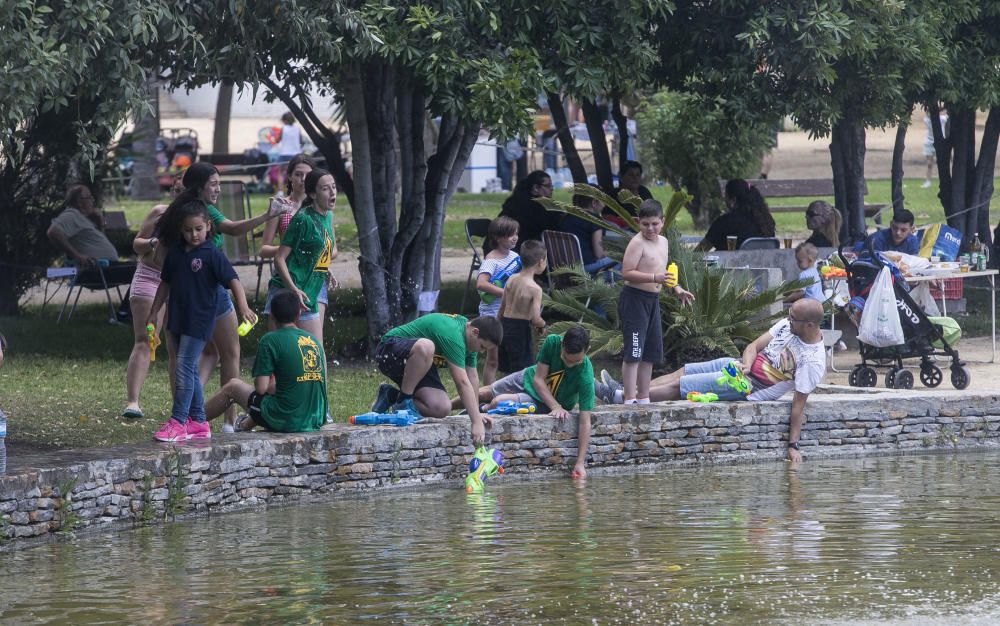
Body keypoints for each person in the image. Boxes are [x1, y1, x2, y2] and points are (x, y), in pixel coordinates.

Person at [598, 299, 827, 464]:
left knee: (682, 386)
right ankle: (630, 390)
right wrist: (746, 365)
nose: (788, 321)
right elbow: (752, 347)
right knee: (682, 371)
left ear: (809, 325)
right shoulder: (787, 326)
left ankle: (618, 397)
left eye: (793, 319)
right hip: (740, 367)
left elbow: (798, 404)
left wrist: (792, 445)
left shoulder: (813, 360)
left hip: (750, 388)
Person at [179, 162, 283, 431]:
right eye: (213, 184)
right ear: (198, 187)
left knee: (216, 352)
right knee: (215, 355)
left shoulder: (194, 210)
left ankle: (203, 413)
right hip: (205, 291)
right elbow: (235, 229)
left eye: (218, 183)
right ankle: (211, 419)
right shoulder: (197, 213)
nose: (218, 188)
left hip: (203, 292)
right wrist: (266, 215)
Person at [146, 200, 257, 442]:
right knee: (188, 369)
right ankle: (198, 422)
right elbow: (164, 283)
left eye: (198, 229)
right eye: (187, 230)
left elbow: (233, 280)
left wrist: (243, 307)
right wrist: (155, 312)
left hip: (199, 320)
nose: (193, 234)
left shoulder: (211, 254)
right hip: (177, 317)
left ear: (208, 226)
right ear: (180, 230)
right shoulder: (175, 253)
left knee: (185, 364)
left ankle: (178, 421)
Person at [472, 326, 594, 477]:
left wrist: (580, 463)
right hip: (529, 379)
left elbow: (584, 421)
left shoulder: (586, 375)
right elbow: (538, 379)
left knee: (498, 402)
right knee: (485, 392)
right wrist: (555, 406)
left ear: (587, 350)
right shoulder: (552, 342)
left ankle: (481, 410)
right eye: (566, 359)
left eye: (575, 362)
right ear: (562, 343)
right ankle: (452, 406)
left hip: (540, 401)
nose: (569, 364)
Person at [203, 289, 327, 433]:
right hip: (315, 418)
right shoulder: (313, 341)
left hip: (288, 420)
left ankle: (192, 422)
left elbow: (261, 388)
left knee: (233, 387)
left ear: (272, 316)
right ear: (298, 314)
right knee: (271, 398)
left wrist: (270, 381)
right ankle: (242, 427)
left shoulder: (270, 340)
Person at [370, 314, 502, 445]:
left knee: (442, 407)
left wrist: (476, 414)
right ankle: (404, 402)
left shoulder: (470, 340)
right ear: (475, 332)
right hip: (388, 350)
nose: (482, 351)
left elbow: (472, 378)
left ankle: (391, 396)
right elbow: (462, 383)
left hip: (417, 364)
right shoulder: (454, 335)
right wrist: (476, 422)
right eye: (483, 347)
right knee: (426, 346)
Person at [619, 200, 694, 403]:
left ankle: (644, 397)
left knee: (650, 352)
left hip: (653, 300)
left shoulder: (664, 242)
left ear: (663, 221)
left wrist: (676, 288)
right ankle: (629, 399)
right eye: (645, 224)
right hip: (635, 300)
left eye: (654, 224)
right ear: (638, 223)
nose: (650, 228)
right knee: (634, 351)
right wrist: (654, 278)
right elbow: (626, 273)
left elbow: (663, 271)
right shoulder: (637, 243)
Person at [122, 175, 184, 419]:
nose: (179, 195)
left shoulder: (199, 219)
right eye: (176, 190)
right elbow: (137, 244)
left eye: (184, 190)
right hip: (150, 277)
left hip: (178, 283)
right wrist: (153, 241)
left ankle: (178, 406)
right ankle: (133, 402)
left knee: (176, 345)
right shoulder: (160, 213)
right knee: (146, 338)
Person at [266, 168, 339, 358]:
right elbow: (279, 258)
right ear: (313, 194)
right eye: (325, 189)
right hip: (286, 292)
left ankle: (318, 389)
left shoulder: (327, 216)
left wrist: (325, 268)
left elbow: (313, 251)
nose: (333, 192)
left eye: (333, 187)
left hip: (307, 294)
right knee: (280, 357)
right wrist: (293, 289)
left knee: (315, 354)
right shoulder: (302, 219)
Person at [477, 216, 520, 385]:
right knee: (493, 358)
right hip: (492, 314)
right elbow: (481, 284)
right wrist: (505, 293)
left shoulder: (515, 256)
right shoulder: (491, 260)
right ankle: (488, 391)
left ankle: (510, 389)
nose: (515, 237)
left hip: (511, 312)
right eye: (510, 235)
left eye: (516, 233)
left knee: (512, 355)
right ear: (497, 237)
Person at [497, 240, 547, 374]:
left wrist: (498, 324)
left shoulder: (511, 279)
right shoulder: (535, 289)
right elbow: (536, 318)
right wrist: (542, 325)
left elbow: (502, 306)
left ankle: (503, 392)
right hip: (520, 331)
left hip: (504, 325)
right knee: (521, 371)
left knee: (506, 369)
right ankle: (517, 394)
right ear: (541, 262)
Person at [46, 184, 121, 266]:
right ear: (79, 202)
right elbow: (52, 232)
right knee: (134, 271)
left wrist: (100, 224)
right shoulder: (72, 214)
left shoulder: (85, 218)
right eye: (89, 197)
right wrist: (77, 255)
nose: (93, 200)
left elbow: (95, 243)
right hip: (97, 268)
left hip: (107, 266)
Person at [696, 179, 776, 251]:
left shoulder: (724, 222)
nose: (724, 201)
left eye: (726, 197)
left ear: (733, 200)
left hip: (731, 266)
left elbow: (699, 252)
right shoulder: (767, 222)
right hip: (764, 266)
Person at [560, 189, 619, 277]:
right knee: (624, 256)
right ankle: (600, 283)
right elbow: (598, 254)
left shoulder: (566, 217)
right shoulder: (594, 220)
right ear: (594, 203)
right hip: (586, 267)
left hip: (565, 266)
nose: (605, 205)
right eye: (603, 201)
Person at [497, 170, 557, 250]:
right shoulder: (540, 207)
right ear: (536, 188)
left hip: (502, 248)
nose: (552, 189)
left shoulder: (513, 202)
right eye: (548, 186)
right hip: (527, 252)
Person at [605, 160, 653, 227]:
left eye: (638, 175)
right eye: (631, 175)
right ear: (621, 177)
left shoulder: (644, 192)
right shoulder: (613, 195)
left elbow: (654, 213)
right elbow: (607, 218)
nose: (635, 178)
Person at [276, 112, 304, 191]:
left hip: (284, 153)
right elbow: (301, 141)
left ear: (285, 121)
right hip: (296, 154)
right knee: (296, 173)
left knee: (281, 173)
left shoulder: (283, 129)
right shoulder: (297, 129)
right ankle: (296, 190)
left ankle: (280, 191)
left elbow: (277, 140)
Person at [922, 108, 948, 189]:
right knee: (929, 164)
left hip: (940, 141)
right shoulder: (926, 120)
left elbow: (946, 114)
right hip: (929, 142)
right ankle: (928, 181)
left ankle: (944, 181)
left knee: (942, 163)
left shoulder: (942, 119)